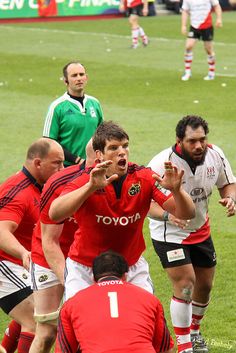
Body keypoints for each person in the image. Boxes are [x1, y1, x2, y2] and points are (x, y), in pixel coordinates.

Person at [49, 121, 195, 300]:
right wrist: (90, 188)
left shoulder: (143, 177)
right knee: (80, 321)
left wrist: (177, 191)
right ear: (99, 155)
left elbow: (187, 213)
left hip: (130, 265)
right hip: (85, 267)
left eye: (125, 146)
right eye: (113, 147)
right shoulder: (87, 179)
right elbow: (54, 213)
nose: (121, 151)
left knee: (145, 319)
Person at [148, 115, 236, 353]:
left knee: (204, 286)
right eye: (192, 141)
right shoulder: (161, 163)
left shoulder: (215, 154)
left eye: (202, 139)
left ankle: (195, 332)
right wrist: (167, 215)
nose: (198, 146)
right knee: (186, 283)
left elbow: (227, 183)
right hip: (169, 233)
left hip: (200, 229)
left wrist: (230, 198)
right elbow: (144, 202)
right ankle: (184, 345)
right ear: (179, 140)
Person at [28, 140, 96, 353]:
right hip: (46, 257)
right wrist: (70, 279)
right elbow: (49, 241)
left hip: (84, 258)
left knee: (85, 329)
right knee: (47, 332)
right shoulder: (59, 183)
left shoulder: (114, 179)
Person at [0, 138, 64, 353]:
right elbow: (0, 231)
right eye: (57, 163)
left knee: (37, 309)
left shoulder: (40, 187)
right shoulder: (18, 192)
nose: (62, 169)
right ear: (38, 163)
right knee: (40, 321)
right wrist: (23, 252)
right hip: (4, 262)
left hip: (22, 262)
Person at [56, 250, 175, 353]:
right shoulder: (149, 299)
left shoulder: (71, 305)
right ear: (125, 276)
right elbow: (166, 349)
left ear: (93, 278)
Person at [43, 62, 104, 166]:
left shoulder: (95, 103)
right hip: (67, 168)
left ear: (86, 78)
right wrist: (77, 160)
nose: (79, 78)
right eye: (74, 75)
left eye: (81, 74)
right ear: (65, 80)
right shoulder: (57, 107)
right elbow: (49, 143)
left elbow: (102, 134)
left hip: (93, 166)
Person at [181, 0, 223, 81]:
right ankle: (187, 71)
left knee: (208, 50)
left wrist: (219, 19)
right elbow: (185, 11)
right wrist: (183, 25)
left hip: (207, 26)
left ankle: (211, 73)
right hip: (194, 26)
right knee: (188, 46)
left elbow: (217, 6)